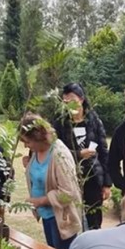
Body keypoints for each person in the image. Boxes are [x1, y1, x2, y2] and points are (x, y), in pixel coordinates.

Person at [19, 113, 83, 249]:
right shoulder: (36, 150)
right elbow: (42, 173)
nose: (25, 146)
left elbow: (68, 193)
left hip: (61, 219)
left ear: (38, 137)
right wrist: (28, 165)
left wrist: (40, 201)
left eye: (27, 142)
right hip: (47, 216)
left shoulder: (59, 154)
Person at [52, 82, 111, 230]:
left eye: (72, 99)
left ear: (81, 99)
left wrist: (106, 184)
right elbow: (55, 153)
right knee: (74, 220)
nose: (68, 104)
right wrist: (78, 155)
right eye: (65, 101)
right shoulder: (60, 122)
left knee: (94, 221)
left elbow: (104, 151)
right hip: (69, 179)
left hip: (93, 177)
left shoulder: (94, 120)